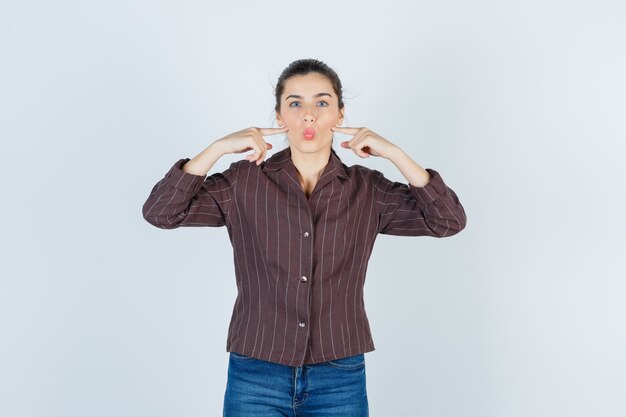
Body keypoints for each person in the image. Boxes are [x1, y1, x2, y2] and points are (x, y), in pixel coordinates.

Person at [142, 58, 467, 417]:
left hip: (339, 374)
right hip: (256, 371)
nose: (308, 115)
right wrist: (217, 148)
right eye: (295, 103)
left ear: (340, 115)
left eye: (322, 102)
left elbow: (448, 221)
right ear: (279, 117)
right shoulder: (243, 183)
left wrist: (395, 154)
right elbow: (161, 212)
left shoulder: (368, 190)